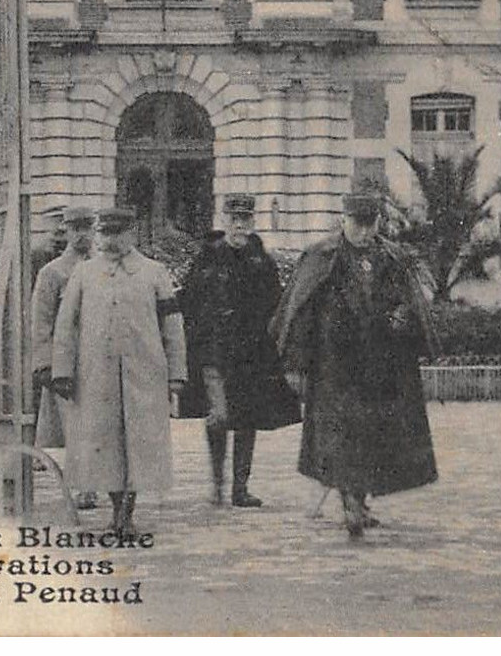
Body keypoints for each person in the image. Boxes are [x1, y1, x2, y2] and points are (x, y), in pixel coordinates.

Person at [271, 192, 438, 538]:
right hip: (334, 367)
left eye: (370, 224)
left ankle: (359, 500)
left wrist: (401, 317)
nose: (364, 231)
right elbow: (300, 313)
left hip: (379, 366)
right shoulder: (322, 257)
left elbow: (410, 301)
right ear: (343, 220)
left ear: (378, 222)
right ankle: (350, 504)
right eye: (357, 224)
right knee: (341, 437)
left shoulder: (391, 257)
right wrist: (295, 365)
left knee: (372, 436)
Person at [51, 206, 187, 537]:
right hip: (96, 376)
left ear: (132, 234)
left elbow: (172, 326)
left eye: (118, 234)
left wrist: (176, 374)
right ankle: (115, 510)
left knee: (140, 445)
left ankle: (129, 511)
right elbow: (65, 325)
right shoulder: (84, 274)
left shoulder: (155, 273)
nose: (111, 241)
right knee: (104, 444)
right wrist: (62, 372)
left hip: (145, 375)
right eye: (106, 234)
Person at [176, 194, 301, 507]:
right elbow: (188, 302)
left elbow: (277, 307)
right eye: (234, 219)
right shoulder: (207, 258)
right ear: (224, 220)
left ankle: (240, 489)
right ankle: (218, 483)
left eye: (245, 219)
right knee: (218, 416)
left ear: (253, 222)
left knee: (246, 420)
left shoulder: (263, 262)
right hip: (214, 353)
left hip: (251, 355)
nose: (239, 226)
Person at [28, 204, 98, 511]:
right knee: (75, 427)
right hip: (66, 363)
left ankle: (94, 484)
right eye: (76, 228)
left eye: (87, 227)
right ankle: (83, 487)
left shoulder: (104, 267)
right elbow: (41, 323)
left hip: (100, 360)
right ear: (67, 231)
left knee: (96, 425)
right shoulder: (52, 272)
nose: (83, 234)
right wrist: (45, 364)